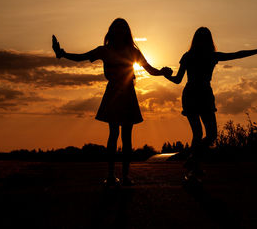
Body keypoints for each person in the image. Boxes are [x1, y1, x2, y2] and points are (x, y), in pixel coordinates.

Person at [52, 18, 172, 186]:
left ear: (126, 32)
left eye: (123, 28)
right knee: (114, 134)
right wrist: (62, 54)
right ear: (112, 31)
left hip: (128, 93)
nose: (120, 31)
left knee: (127, 137)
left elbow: (150, 70)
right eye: (117, 28)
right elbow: (82, 57)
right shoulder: (105, 50)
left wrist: (163, 72)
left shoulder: (132, 51)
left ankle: (125, 176)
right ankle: (110, 174)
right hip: (114, 93)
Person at [164, 27, 257, 183]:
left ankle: (193, 160)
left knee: (208, 134)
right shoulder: (199, 56)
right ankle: (194, 166)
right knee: (201, 134)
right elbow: (178, 79)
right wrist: (167, 76)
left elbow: (237, 54)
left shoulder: (200, 56)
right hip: (196, 94)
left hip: (200, 94)